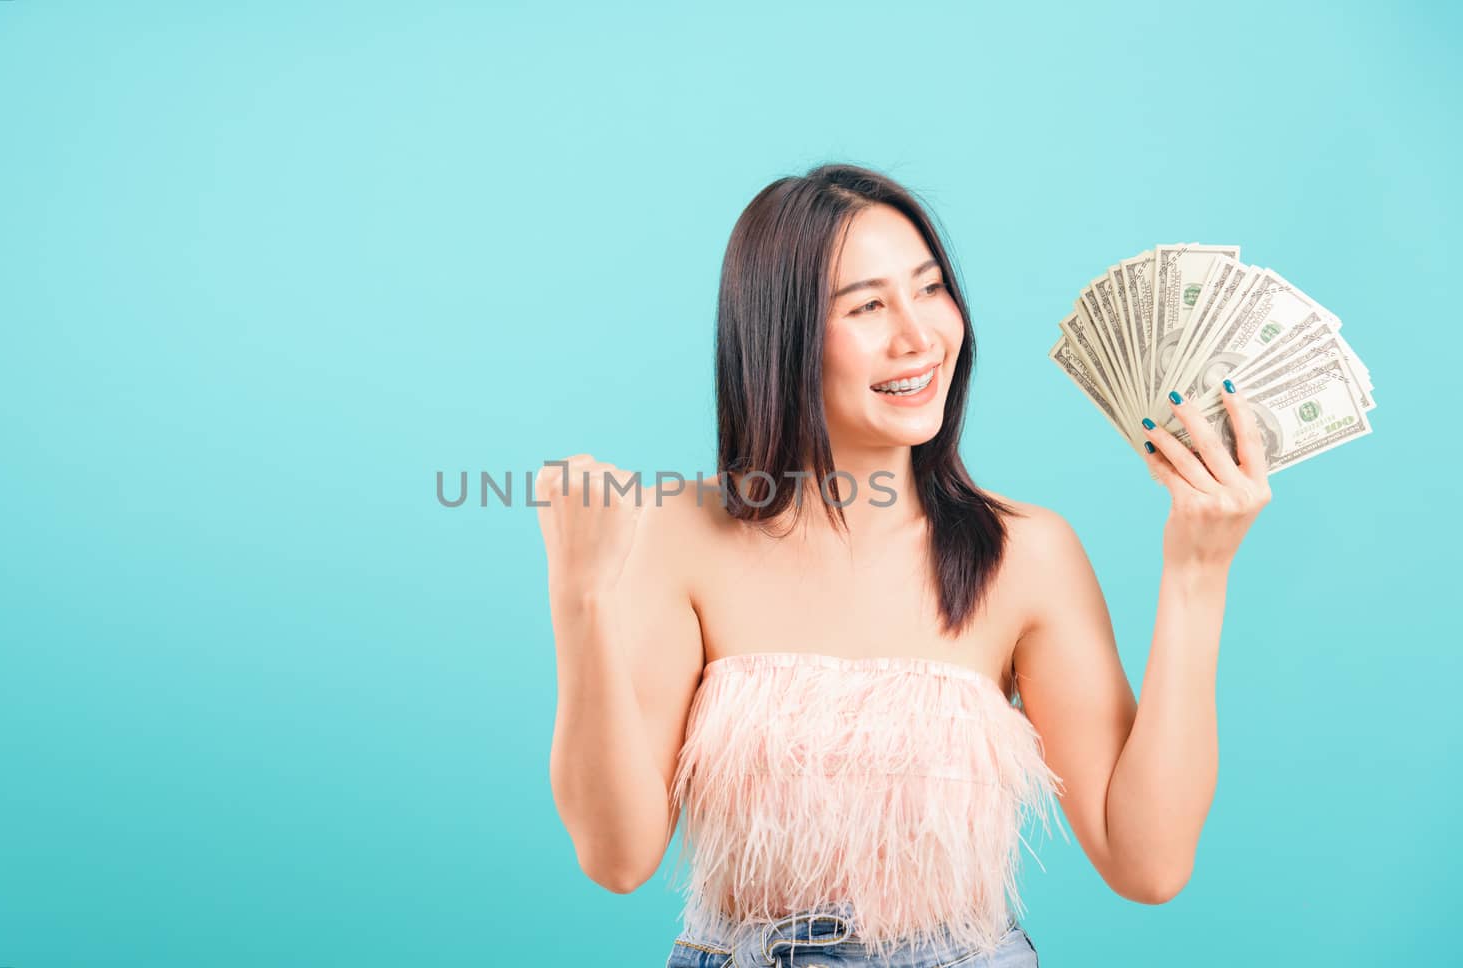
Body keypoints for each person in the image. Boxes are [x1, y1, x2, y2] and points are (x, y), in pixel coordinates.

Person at [538, 164, 1271, 967]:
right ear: (779, 337)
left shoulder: (1026, 553)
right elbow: (617, 859)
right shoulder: (681, 534)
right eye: (867, 306)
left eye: (929, 289)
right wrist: (581, 598)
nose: (920, 336)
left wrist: (1198, 574)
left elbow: (1148, 863)